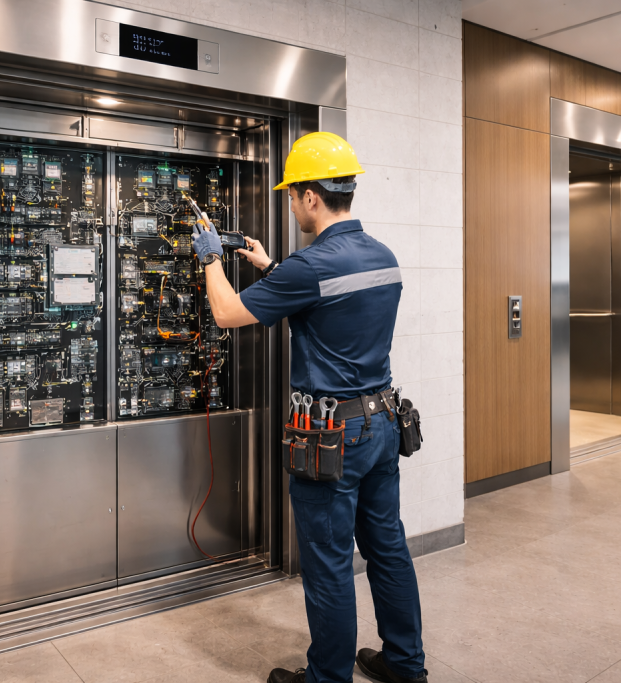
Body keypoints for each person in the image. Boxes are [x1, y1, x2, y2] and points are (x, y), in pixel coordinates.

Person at [191, 132, 427, 683]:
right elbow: (332, 309)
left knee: (328, 562)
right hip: (383, 423)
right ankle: (404, 664)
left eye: (292, 195)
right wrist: (272, 268)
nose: (291, 204)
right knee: (387, 545)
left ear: (312, 197)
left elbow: (226, 313)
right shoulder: (382, 257)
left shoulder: (311, 265)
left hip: (332, 439)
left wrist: (209, 257)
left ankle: (328, 678)